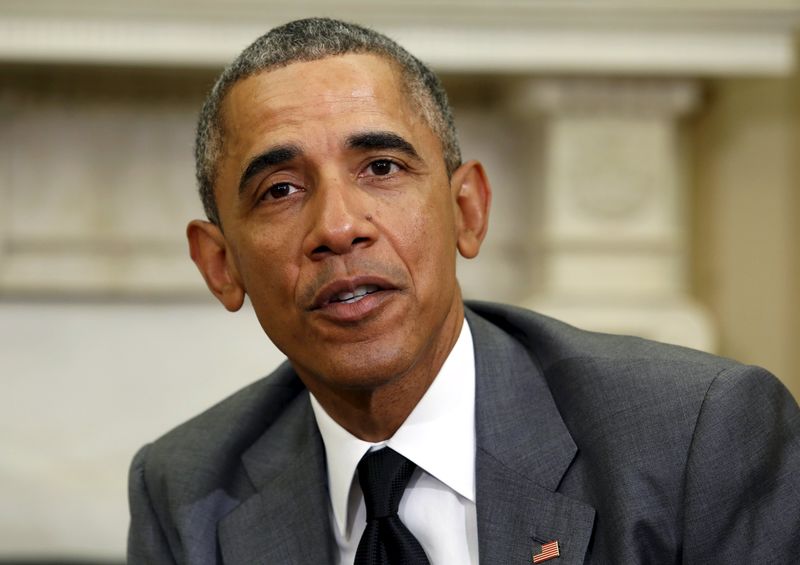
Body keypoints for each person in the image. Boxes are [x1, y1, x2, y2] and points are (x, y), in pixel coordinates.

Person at [127, 17, 800, 565]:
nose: (336, 227)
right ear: (221, 265)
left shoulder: (694, 437)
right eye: (280, 190)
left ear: (468, 209)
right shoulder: (185, 490)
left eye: (382, 167)